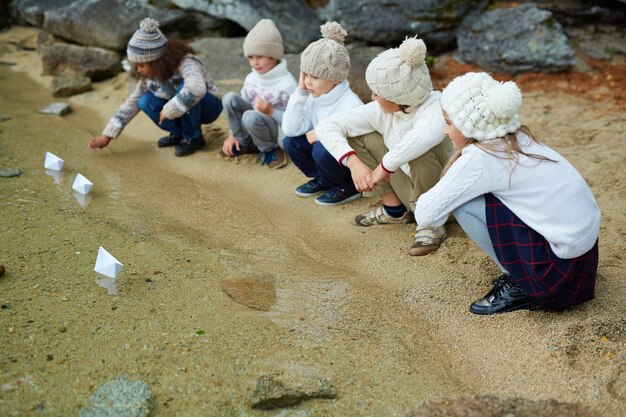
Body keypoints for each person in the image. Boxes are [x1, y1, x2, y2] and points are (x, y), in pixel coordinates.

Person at [414, 72, 601, 315]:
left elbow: (426, 214)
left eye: (449, 123)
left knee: (465, 203)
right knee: (493, 196)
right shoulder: (519, 138)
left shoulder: (482, 157)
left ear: (470, 125)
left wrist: (455, 170)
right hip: (582, 263)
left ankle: (521, 283)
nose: (445, 132)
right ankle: (523, 273)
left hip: (554, 274)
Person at [316, 37, 454, 255]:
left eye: (377, 93)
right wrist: (353, 163)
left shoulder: (436, 104)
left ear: (398, 95)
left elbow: (427, 135)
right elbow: (327, 126)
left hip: (446, 200)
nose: (372, 97)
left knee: (419, 150)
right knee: (356, 137)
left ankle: (432, 224)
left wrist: (384, 167)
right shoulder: (381, 110)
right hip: (411, 191)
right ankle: (394, 210)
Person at [88, 18, 223, 157]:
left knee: (184, 88)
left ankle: (193, 137)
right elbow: (130, 105)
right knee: (144, 101)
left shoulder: (186, 62)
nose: (138, 70)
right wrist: (107, 136)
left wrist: (170, 109)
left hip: (209, 106)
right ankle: (180, 133)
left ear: (157, 61)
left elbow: (196, 88)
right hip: (179, 109)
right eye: (135, 65)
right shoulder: (149, 78)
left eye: (141, 65)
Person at [282, 21, 364, 205]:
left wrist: (321, 133)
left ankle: (346, 187)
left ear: (336, 78)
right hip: (327, 156)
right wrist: (300, 92)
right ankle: (324, 179)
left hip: (346, 158)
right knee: (290, 141)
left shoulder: (350, 103)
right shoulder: (313, 96)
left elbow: (355, 140)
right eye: (306, 75)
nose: (308, 82)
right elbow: (290, 129)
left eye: (315, 77)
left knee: (321, 147)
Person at [219, 19, 297, 169]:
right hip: (251, 123)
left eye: (260, 56)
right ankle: (242, 141)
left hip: (274, 129)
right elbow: (240, 108)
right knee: (229, 98)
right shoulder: (251, 78)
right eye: (250, 57)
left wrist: (271, 111)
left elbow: (295, 120)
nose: (255, 62)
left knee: (250, 116)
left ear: (274, 55)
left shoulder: (287, 84)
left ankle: (270, 149)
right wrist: (232, 134)